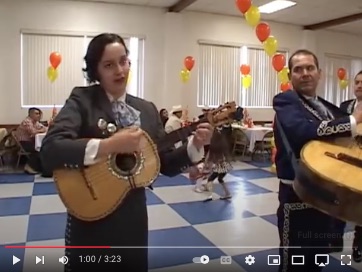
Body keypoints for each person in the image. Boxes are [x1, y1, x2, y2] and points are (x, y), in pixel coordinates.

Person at [39, 33, 213, 272]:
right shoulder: (82, 100)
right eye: (109, 65)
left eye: (123, 61)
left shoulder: (147, 109)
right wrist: (110, 146)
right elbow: (50, 150)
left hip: (133, 222)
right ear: (95, 71)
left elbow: (166, 164)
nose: (119, 70)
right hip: (90, 215)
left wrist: (195, 145)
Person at [273, 49, 362, 272]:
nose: (305, 73)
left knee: (316, 261)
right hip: (297, 197)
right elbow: (302, 131)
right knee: (294, 264)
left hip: (326, 197)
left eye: (310, 68)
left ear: (319, 73)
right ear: (290, 76)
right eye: (298, 69)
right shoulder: (286, 101)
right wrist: (353, 120)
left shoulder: (327, 107)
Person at [336, 70, 362, 262]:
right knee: (339, 199)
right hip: (345, 158)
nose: (359, 85)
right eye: (357, 82)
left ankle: (358, 244)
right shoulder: (345, 106)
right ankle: (334, 238)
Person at [204, 127, 232, 201]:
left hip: (220, 166)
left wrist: (206, 164)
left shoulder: (214, 146)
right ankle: (227, 193)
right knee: (220, 179)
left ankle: (210, 195)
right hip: (225, 166)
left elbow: (209, 157)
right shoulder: (223, 144)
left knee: (210, 179)